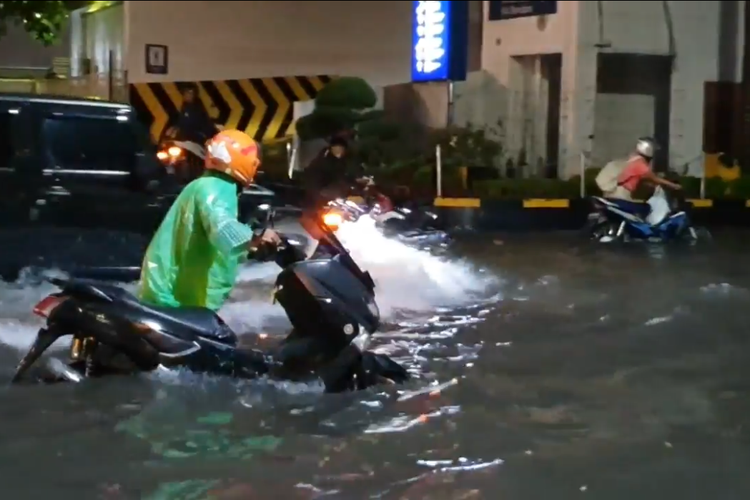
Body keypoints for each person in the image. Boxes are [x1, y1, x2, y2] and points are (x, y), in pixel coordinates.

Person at [138, 129, 281, 311]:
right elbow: (222, 228)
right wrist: (257, 238)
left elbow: (213, 242)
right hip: (177, 298)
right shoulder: (217, 186)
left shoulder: (206, 184)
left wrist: (250, 250)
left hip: (174, 292)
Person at [607, 137, 682, 216]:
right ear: (648, 150)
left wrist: (651, 186)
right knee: (641, 212)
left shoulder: (634, 160)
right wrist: (673, 185)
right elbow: (654, 178)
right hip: (621, 195)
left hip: (615, 192)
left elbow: (642, 179)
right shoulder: (641, 165)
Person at [301, 135, 371, 209]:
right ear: (331, 149)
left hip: (347, 193)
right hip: (327, 194)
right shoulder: (322, 161)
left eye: (341, 149)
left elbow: (355, 171)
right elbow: (318, 181)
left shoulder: (351, 158)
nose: (339, 151)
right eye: (336, 149)